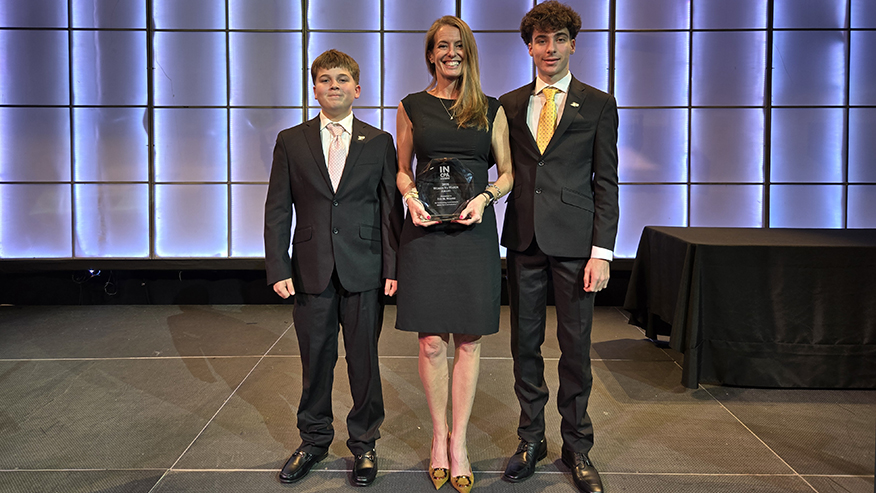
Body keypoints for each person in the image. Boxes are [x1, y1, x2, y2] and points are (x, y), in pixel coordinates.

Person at [263, 49, 403, 487]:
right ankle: (313, 440)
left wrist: (393, 266)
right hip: (310, 268)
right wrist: (277, 266)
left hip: (365, 268)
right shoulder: (291, 140)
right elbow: (277, 209)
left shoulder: (379, 141)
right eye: (325, 79)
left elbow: (388, 210)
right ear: (315, 88)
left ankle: (364, 445)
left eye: (342, 79)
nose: (334, 85)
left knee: (364, 362)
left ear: (357, 89)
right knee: (315, 361)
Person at [498, 2, 619, 493]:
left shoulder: (597, 103)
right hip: (523, 240)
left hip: (576, 244)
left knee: (575, 349)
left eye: (559, 39)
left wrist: (602, 252)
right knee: (524, 345)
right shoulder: (506, 104)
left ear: (573, 43)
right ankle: (531, 439)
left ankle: (577, 446)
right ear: (529, 47)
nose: (549, 49)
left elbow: (606, 183)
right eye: (540, 40)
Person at [394, 16, 513, 493]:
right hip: (424, 230)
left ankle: (459, 442)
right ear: (430, 54)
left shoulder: (491, 108)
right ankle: (437, 439)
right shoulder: (410, 107)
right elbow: (402, 169)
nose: (450, 53)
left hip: (473, 233)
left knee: (468, 340)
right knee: (429, 342)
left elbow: (507, 174)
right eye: (442, 46)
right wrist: (410, 197)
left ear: (469, 52)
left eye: (458, 45)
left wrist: (485, 198)